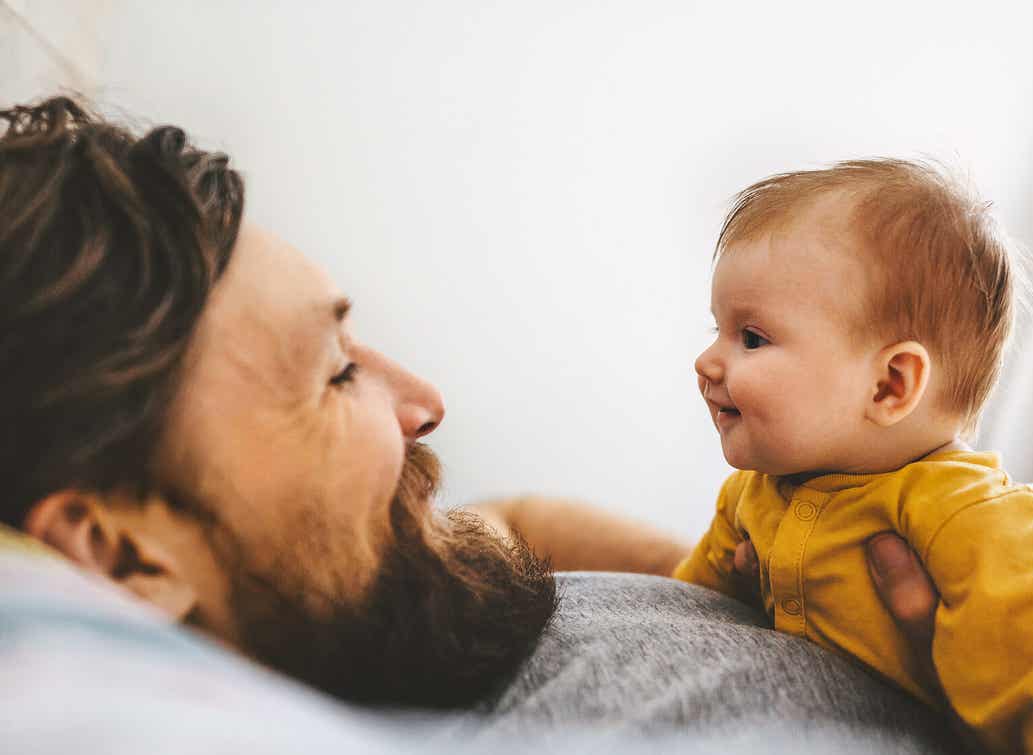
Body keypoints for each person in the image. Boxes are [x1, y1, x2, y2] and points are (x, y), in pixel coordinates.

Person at [0, 96, 949, 744]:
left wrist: (782, 584)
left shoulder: (382, 601)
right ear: (122, 555)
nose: (426, 403)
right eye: (336, 376)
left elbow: (515, 519)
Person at [678, 159, 1033, 753]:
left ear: (890, 385)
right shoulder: (754, 494)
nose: (707, 361)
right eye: (716, 329)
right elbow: (682, 613)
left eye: (752, 338)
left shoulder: (978, 522)